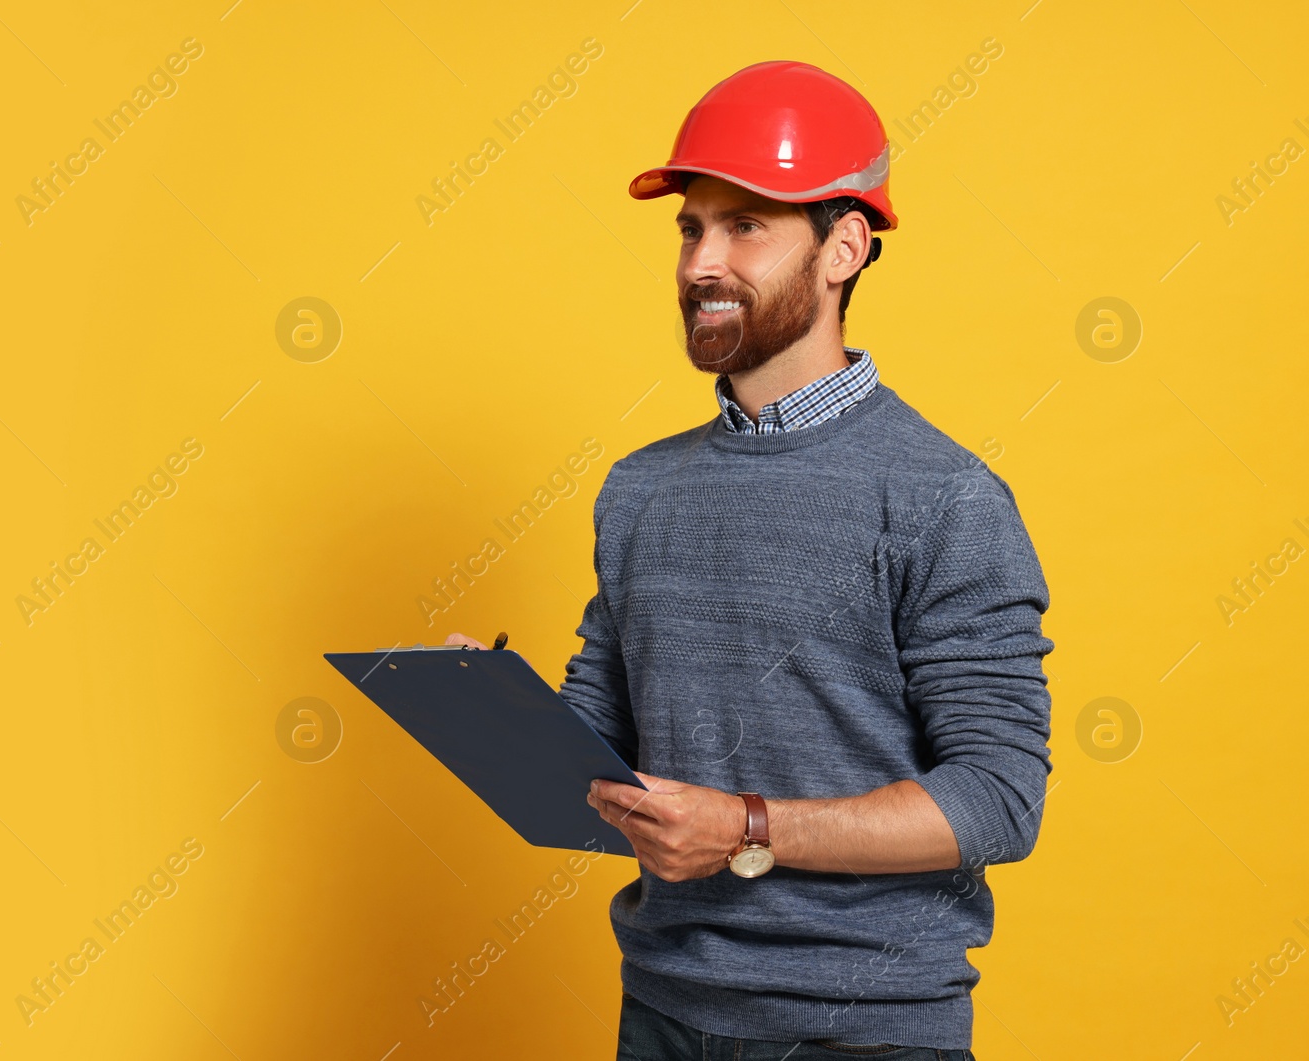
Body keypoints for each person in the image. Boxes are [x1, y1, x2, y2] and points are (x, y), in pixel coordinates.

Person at [448, 60, 1052, 1059]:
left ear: (843, 248)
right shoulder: (638, 489)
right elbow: (607, 764)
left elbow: (999, 796)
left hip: (867, 1031)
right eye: (690, 227)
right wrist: (501, 718)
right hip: (663, 1012)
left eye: (745, 226)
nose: (699, 263)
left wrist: (745, 825)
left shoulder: (946, 497)